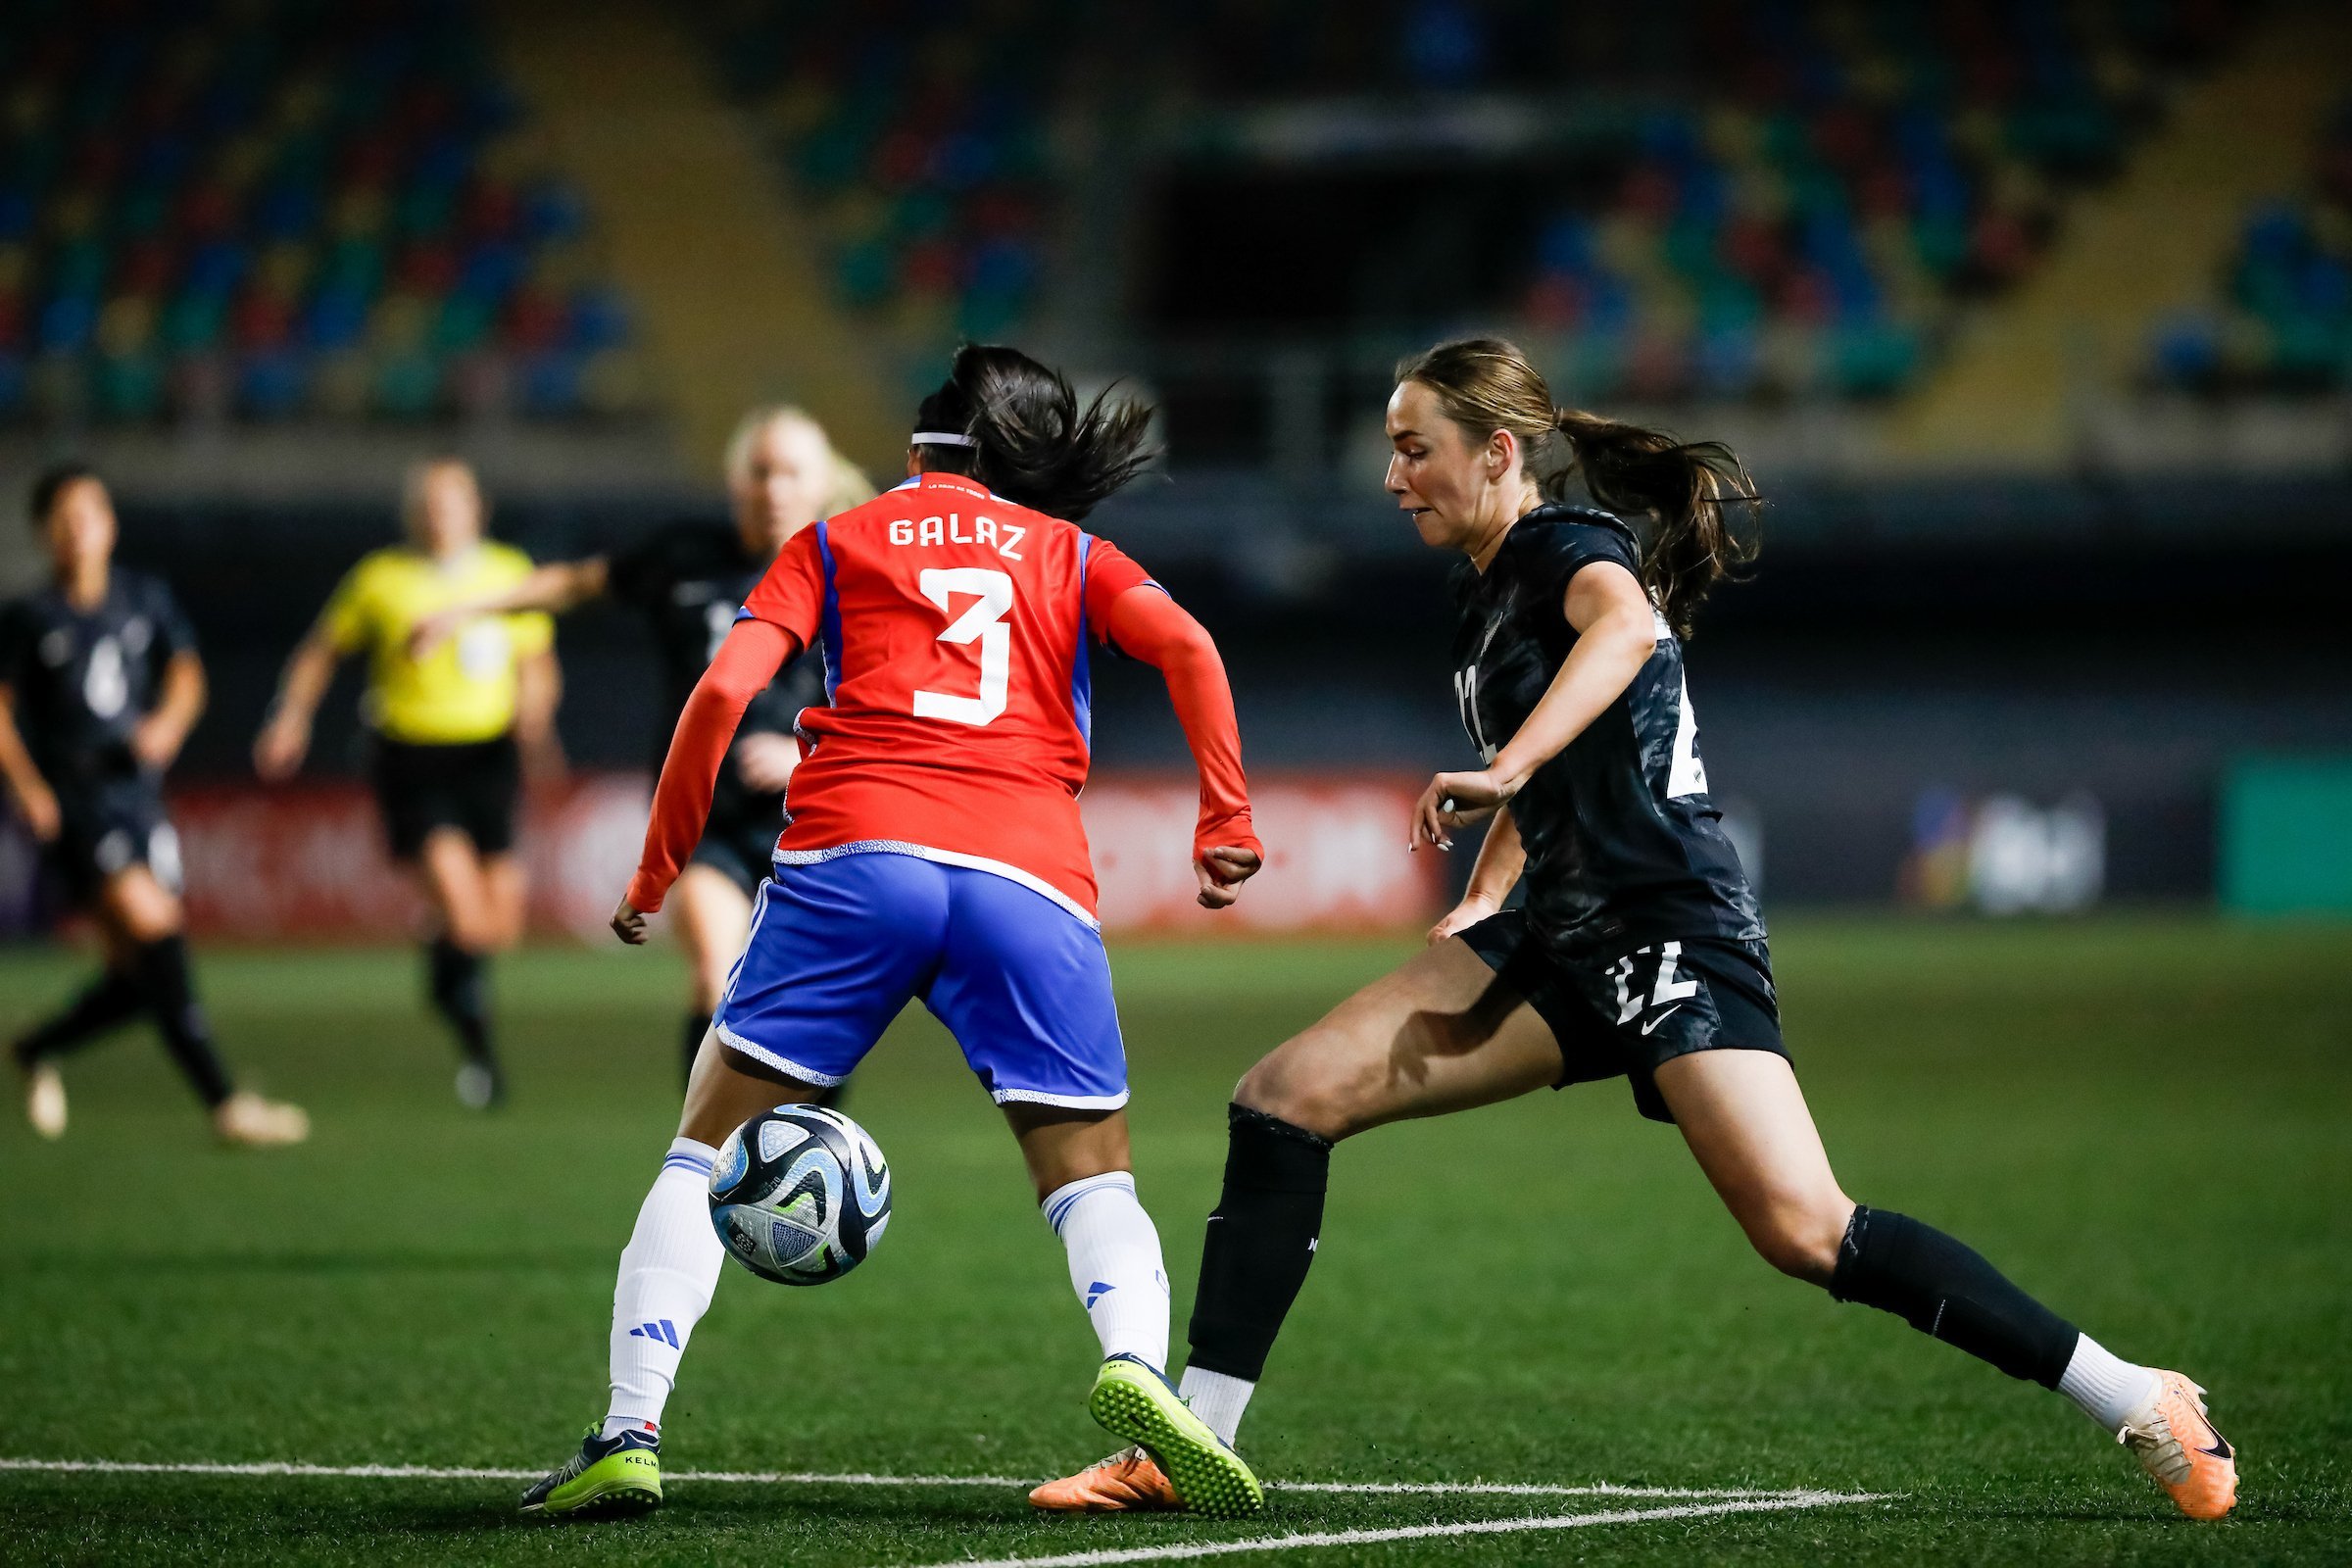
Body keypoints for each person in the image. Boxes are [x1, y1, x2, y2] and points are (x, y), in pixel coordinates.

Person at [1029, 337, 2237, 1522]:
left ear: (1499, 451)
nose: (1393, 477)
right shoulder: (1489, 588)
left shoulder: (1569, 545)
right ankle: (1194, 1443)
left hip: (1668, 923)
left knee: (1807, 1230)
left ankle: (2136, 1394)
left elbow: (1627, 637)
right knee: (1286, 1095)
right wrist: (1493, 885)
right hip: (1559, 932)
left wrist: (1507, 769)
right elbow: (1567, 761)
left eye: (1414, 450)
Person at [520, 345, 1269, 1521]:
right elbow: (1190, 647)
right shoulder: (1072, 551)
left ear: (916, 450)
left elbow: (721, 694)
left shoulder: (835, 537)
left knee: (702, 1147)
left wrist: (661, 863)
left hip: (857, 857)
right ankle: (1132, 1362)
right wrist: (1223, 812)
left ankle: (627, 1430)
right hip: (1027, 872)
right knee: (1092, 1174)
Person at [413, 407, 873, 1089]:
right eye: (760, 470)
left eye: (791, 473)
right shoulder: (685, 557)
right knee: (720, 982)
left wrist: (803, 756)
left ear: (821, 482)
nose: (774, 488)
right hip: (709, 826)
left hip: (817, 830)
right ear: (733, 480)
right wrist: (467, 610)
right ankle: (704, 1162)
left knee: (809, 1012)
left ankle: (805, 1154)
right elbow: (574, 583)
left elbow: (897, 712)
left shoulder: (854, 576)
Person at [2, 464, 308, 1148]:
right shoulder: (29, 618)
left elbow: (188, 674)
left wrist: (168, 724)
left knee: (143, 979)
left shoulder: (143, 599)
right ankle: (226, 1104)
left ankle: (34, 1046)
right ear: (45, 532)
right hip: (75, 803)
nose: (80, 529)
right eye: (65, 518)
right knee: (157, 933)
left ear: (110, 525)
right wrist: (28, 789)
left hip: (137, 798)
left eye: (91, 514)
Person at [254, 459, 562, 1109]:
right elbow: (320, 651)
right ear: (414, 511)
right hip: (411, 757)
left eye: (453, 501)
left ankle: (442, 966)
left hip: (489, 755)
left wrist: (536, 720)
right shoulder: (380, 579)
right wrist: (291, 716)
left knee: (499, 923)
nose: (441, 513)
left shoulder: (507, 572)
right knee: (466, 912)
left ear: (476, 507)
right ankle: (481, 1060)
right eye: (430, 501)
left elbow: (537, 662)